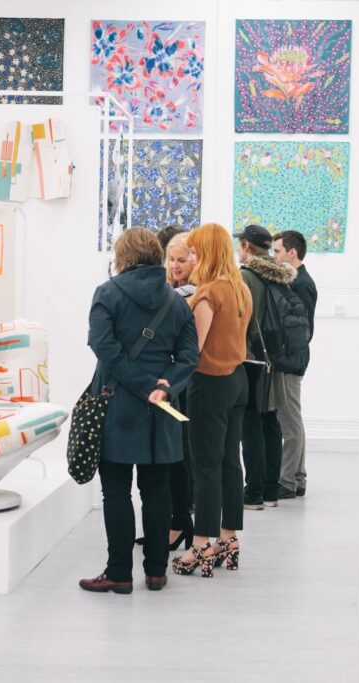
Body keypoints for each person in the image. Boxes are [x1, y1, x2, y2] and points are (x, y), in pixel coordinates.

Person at [79, 228, 200, 594]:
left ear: (123, 255)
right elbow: (190, 357)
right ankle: (156, 572)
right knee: (157, 489)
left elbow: (102, 345)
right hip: (160, 409)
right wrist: (163, 386)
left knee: (115, 491)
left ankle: (118, 573)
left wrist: (142, 384)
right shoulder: (176, 301)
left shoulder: (108, 293)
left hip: (116, 404)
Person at [172, 224, 251, 578]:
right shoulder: (240, 288)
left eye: (194, 251)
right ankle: (229, 538)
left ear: (205, 252)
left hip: (211, 383)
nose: (189, 257)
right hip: (238, 380)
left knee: (205, 466)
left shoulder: (208, 294)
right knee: (231, 462)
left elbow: (194, 350)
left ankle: (201, 544)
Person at [135, 228, 197, 550]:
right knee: (171, 458)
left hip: (179, 385)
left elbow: (189, 350)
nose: (175, 265)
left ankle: (179, 523)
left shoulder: (188, 296)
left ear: (195, 261)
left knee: (177, 458)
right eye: (171, 259)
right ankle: (175, 523)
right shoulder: (172, 293)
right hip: (168, 385)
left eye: (181, 260)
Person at [235, 225, 297, 509]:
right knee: (271, 422)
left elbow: (239, 320)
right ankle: (271, 492)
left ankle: (254, 493)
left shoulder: (245, 277)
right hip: (276, 357)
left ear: (246, 246)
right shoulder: (279, 276)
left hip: (251, 358)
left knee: (251, 424)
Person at [273, 230, 317, 499]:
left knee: (289, 422)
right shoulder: (296, 280)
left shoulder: (301, 284)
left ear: (292, 252)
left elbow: (303, 329)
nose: (274, 256)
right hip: (291, 358)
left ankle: (288, 480)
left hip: (291, 359)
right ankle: (297, 477)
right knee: (292, 419)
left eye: (277, 251)